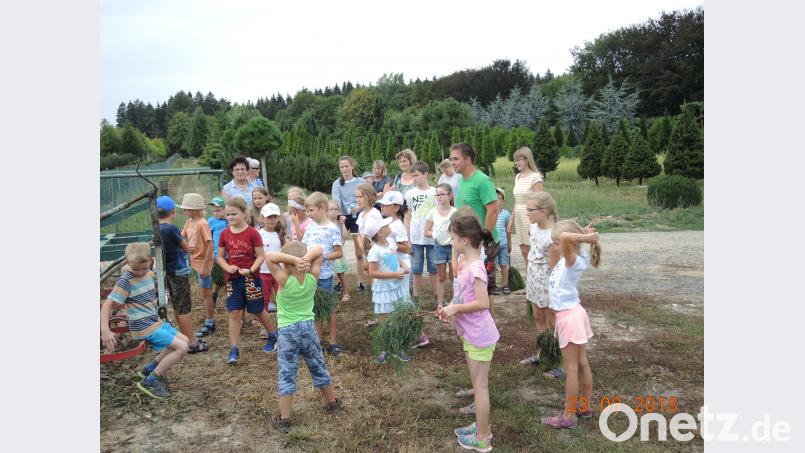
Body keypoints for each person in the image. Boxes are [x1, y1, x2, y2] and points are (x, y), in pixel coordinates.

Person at [437, 209, 499, 452]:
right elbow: (462, 295)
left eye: (453, 238)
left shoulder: (476, 269)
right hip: (470, 333)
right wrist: (449, 308)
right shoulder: (465, 263)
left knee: (481, 387)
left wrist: (456, 308)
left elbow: (483, 303)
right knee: (476, 383)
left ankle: (482, 439)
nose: (451, 242)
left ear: (464, 240)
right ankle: (482, 426)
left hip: (480, 335)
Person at [265, 242, 341, 433]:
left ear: (285, 264)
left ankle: (285, 419)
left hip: (288, 332)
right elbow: (320, 250)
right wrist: (304, 259)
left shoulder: (284, 280)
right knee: (318, 366)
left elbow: (269, 257)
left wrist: (293, 259)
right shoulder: (312, 278)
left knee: (287, 372)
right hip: (308, 329)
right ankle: (332, 403)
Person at [101, 242, 190, 399]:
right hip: (143, 326)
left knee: (185, 340)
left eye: (144, 267)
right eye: (135, 269)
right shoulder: (126, 281)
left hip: (154, 321)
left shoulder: (149, 273)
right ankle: (150, 381)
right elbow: (107, 305)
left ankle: (148, 370)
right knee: (181, 348)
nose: (140, 272)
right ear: (128, 263)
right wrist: (105, 330)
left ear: (150, 260)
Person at [540, 220, 601, 429]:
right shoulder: (576, 256)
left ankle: (569, 415)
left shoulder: (571, 260)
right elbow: (567, 238)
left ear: (568, 244)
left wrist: (584, 236)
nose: (555, 247)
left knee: (571, 368)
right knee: (581, 363)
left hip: (569, 318)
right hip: (574, 313)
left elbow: (566, 238)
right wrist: (582, 233)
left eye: (557, 243)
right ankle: (584, 406)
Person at [217, 197, 278, 364]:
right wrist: (227, 267)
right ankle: (234, 349)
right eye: (228, 214)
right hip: (233, 279)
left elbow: (261, 256)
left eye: (234, 214)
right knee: (234, 312)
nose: (230, 217)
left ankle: (273, 336)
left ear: (244, 213)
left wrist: (250, 270)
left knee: (257, 310)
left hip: (251, 278)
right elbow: (220, 257)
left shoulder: (252, 233)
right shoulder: (224, 234)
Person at [450, 143, 501, 317]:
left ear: (468, 159)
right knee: (469, 284)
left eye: (455, 159)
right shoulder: (461, 180)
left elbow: (493, 209)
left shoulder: (482, 181)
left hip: (482, 243)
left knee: (484, 288)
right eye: (451, 159)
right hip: (468, 242)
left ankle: (488, 325)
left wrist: (484, 236)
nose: (452, 162)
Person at [156, 195, 209, 354]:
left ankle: (185, 338)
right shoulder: (171, 228)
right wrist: (191, 248)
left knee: (177, 306)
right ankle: (192, 343)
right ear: (172, 211)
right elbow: (186, 247)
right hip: (179, 271)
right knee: (184, 309)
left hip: (168, 271)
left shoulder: (157, 228)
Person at [302, 192, 346, 357]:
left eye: (311, 210)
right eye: (307, 211)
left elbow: (339, 253)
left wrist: (322, 256)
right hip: (310, 275)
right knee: (315, 308)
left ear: (321, 208)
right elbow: (304, 247)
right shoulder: (310, 226)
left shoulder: (332, 229)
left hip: (325, 275)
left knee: (328, 308)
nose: (308, 214)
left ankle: (333, 342)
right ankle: (318, 341)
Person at [363, 216, 412, 364]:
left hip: (396, 286)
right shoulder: (374, 251)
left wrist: (403, 265)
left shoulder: (390, 241)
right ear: (380, 232)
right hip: (384, 289)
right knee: (385, 321)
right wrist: (394, 274)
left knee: (397, 317)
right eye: (386, 225)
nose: (389, 226)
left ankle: (397, 347)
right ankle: (385, 348)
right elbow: (372, 273)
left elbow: (395, 256)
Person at [519, 192, 558, 366]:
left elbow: (555, 268)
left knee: (552, 320)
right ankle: (542, 353)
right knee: (538, 316)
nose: (526, 213)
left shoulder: (553, 235)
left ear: (543, 211)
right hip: (534, 278)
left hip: (547, 282)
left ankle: (558, 357)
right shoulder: (533, 226)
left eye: (530, 210)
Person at [179, 193, 216, 342]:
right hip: (194, 260)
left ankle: (210, 322)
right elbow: (182, 236)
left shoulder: (202, 223)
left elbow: (210, 245)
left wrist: (206, 267)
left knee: (207, 293)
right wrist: (185, 247)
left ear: (194, 210)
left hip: (203, 263)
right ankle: (208, 320)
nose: (184, 211)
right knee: (203, 292)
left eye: (186, 209)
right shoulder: (189, 221)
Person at [404, 161, 438, 308]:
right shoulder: (410, 194)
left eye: (416, 175)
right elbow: (407, 217)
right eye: (412, 176)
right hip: (415, 238)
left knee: (434, 269)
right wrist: (407, 239)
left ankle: (438, 298)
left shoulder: (435, 192)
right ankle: (416, 300)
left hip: (432, 237)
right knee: (416, 269)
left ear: (426, 174)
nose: (414, 178)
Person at [331, 156, 366, 289]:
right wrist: (340, 215)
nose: (344, 169)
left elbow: (368, 199)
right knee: (338, 249)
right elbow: (336, 202)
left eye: (346, 166)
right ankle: (340, 281)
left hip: (358, 217)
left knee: (359, 251)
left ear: (352, 166)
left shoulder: (361, 182)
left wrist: (359, 208)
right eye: (342, 167)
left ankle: (360, 281)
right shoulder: (337, 184)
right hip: (343, 217)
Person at [198, 197, 227, 337]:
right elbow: (207, 238)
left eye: (218, 210)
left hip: (229, 254)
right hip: (216, 255)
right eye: (214, 211)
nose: (216, 213)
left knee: (227, 279)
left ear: (225, 209)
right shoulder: (211, 221)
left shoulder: (229, 220)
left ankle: (224, 297)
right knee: (219, 278)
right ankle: (214, 294)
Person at [511, 147, 544, 269]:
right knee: (524, 252)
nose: (516, 163)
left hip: (530, 217)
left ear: (527, 159)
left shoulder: (535, 177)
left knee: (533, 251)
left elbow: (540, 201)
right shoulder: (518, 177)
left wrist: (533, 223)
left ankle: (537, 277)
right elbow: (517, 200)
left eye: (518, 160)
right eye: (515, 160)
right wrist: (511, 219)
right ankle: (529, 277)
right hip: (519, 217)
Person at [424, 183, 457, 307]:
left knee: (454, 276)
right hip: (439, 247)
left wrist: (454, 238)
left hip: (453, 247)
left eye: (442, 194)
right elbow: (426, 231)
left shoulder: (455, 212)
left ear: (450, 195)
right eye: (437, 195)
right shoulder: (432, 212)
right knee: (441, 277)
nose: (439, 197)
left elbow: (460, 230)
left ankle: (455, 304)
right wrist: (435, 234)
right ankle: (440, 305)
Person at [377, 191, 410, 298]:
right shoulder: (386, 222)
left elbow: (406, 248)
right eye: (382, 204)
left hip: (401, 266)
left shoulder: (398, 225)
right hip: (391, 264)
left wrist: (387, 243)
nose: (382, 207)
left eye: (386, 205)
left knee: (402, 296)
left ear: (396, 207)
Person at [354, 182, 383, 291]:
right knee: (370, 272)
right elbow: (359, 234)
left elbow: (370, 237)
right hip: (367, 249)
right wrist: (363, 249)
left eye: (360, 197)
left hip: (375, 251)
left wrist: (365, 249)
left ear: (369, 197)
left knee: (374, 274)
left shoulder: (374, 214)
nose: (357, 200)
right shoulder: (361, 214)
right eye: (356, 197)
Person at [258, 203, 285, 319]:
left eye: (275, 216)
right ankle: (264, 320)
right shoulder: (259, 234)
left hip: (278, 271)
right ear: (262, 218)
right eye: (269, 217)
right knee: (264, 297)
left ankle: (283, 317)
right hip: (263, 271)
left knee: (282, 295)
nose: (272, 219)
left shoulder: (280, 234)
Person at [327, 199, 351, 302]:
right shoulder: (325, 223)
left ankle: (346, 292)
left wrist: (342, 223)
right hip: (328, 252)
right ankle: (328, 292)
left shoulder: (339, 222)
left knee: (341, 273)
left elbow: (345, 236)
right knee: (328, 273)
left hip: (338, 251)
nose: (333, 211)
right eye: (331, 209)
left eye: (335, 209)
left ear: (339, 211)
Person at [493, 188, 512, 295]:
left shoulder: (506, 214)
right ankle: (494, 284)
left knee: (504, 264)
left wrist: (509, 243)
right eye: (494, 198)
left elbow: (508, 230)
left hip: (503, 244)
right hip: (492, 245)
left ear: (503, 201)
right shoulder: (489, 213)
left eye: (498, 198)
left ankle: (505, 284)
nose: (496, 200)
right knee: (492, 265)